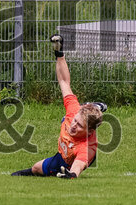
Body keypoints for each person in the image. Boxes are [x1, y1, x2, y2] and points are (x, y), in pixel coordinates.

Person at [11, 34, 106, 179]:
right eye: (75, 121)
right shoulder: (73, 111)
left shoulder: (86, 147)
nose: (74, 125)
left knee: (54, 167)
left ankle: (95, 107)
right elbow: (63, 81)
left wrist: (72, 174)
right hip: (63, 151)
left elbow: (78, 166)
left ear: (89, 131)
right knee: (36, 168)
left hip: (69, 159)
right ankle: (94, 107)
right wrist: (59, 54)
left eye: (80, 125)